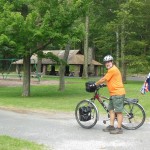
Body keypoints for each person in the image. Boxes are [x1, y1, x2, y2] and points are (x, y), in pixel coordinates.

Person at [95, 55, 126, 134]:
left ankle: (119, 129)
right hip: (113, 94)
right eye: (106, 62)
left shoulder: (113, 70)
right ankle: (111, 126)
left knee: (118, 112)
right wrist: (104, 84)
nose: (107, 63)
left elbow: (104, 79)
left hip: (118, 93)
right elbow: (109, 80)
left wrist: (96, 84)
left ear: (112, 62)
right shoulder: (111, 70)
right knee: (111, 110)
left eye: (109, 62)